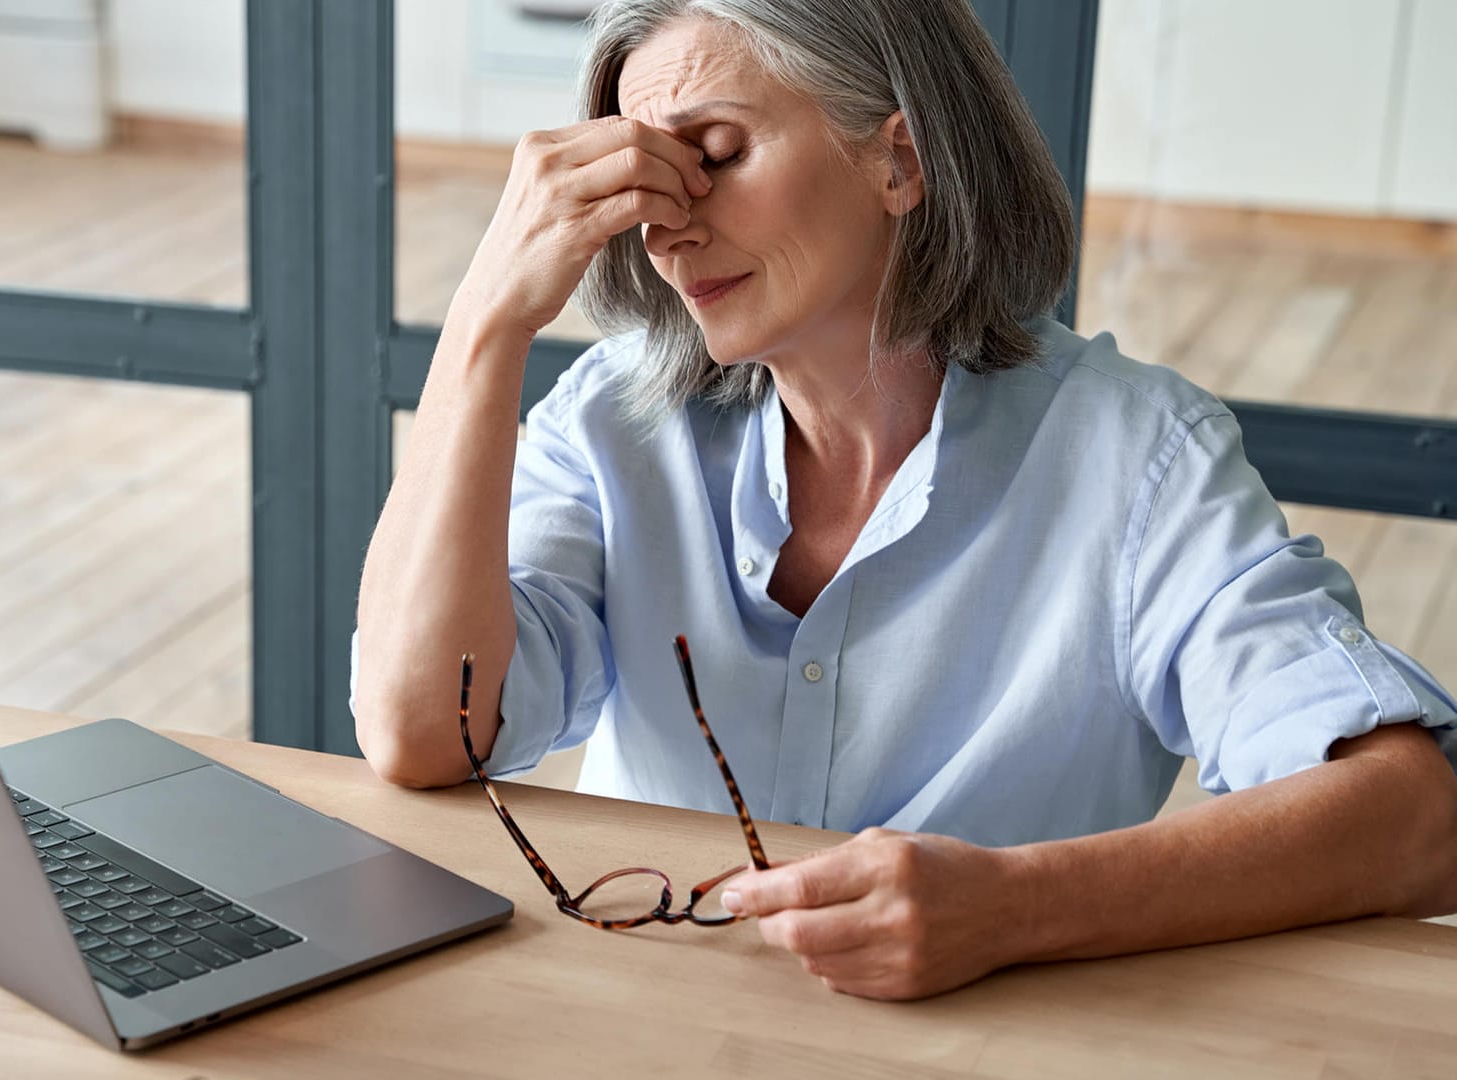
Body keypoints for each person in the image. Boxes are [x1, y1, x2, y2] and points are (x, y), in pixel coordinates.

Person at [349, 0, 1457, 999]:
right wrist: (486, 319)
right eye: (644, 179)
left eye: (716, 155)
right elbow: (422, 734)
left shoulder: (1136, 459)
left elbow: (1414, 817)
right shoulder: (612, 423)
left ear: (902, 160)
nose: (666, 226)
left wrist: (1017, 907)